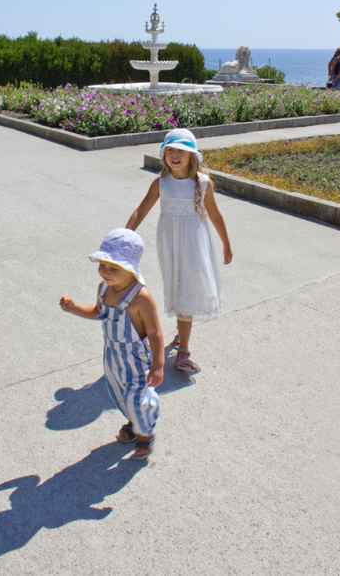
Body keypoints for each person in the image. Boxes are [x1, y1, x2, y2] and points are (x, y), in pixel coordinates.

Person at [126, 128, 233, 373]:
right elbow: (140, 211)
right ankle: (180, 336)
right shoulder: (161, 183)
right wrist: (126, 234)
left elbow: (215, 214)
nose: (175, 155)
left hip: (195, 245)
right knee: (176, 288)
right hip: (170, 245)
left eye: (181, 151)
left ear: (192, 155)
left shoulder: (202, 183)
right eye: (170, 150)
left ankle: (183, 350)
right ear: (164, 154)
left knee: (187, 288)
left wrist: (226, 243)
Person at [60, 228, 163, 459]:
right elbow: (98, 312)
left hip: (136, 357)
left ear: (131, 268)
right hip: (112, 355)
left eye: (114, 268)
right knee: (121, 394)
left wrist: (158, 365)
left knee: (140, 396)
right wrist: (75, 308)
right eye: (102, 266)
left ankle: (146, 433)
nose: (106, 272)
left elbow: (155, 332)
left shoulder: (141, 297)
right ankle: (136, 422)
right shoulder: (104, 289)